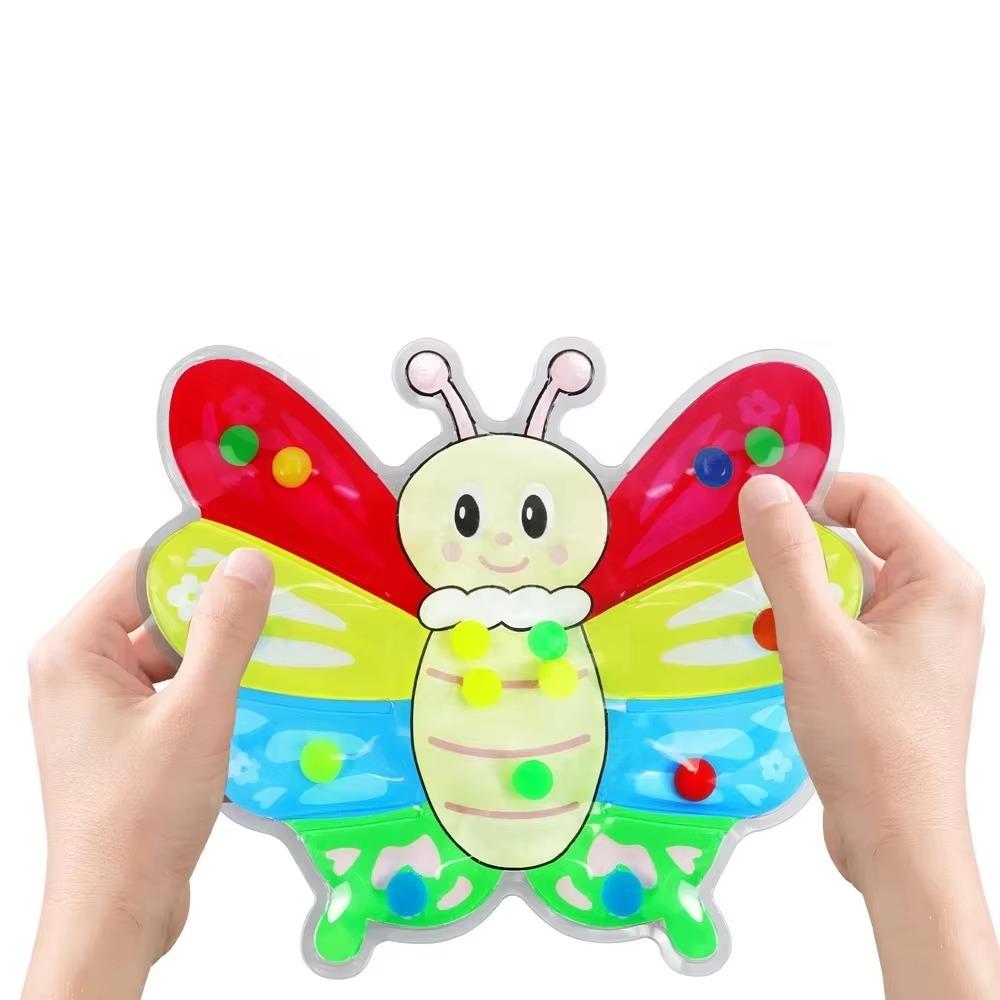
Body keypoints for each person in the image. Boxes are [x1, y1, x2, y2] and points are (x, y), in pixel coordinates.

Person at [20, 474, 1000, 999]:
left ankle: (638, 882)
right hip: (402, 789)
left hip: (604, 791)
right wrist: (904, 838)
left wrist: (114, 904)